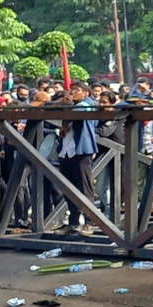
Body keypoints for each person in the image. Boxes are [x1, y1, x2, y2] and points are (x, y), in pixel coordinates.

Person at [55, 82, 99, 236]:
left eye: (76, 90)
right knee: (68, 189)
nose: (72, 93)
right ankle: (73, 222)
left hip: (81, 152)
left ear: (85, 93)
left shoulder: (88, 104)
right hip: (67, 151)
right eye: (71, 89)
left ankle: (89, 222)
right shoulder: (72, 105)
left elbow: (79, 113)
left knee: (85, 188)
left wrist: (67, 104)